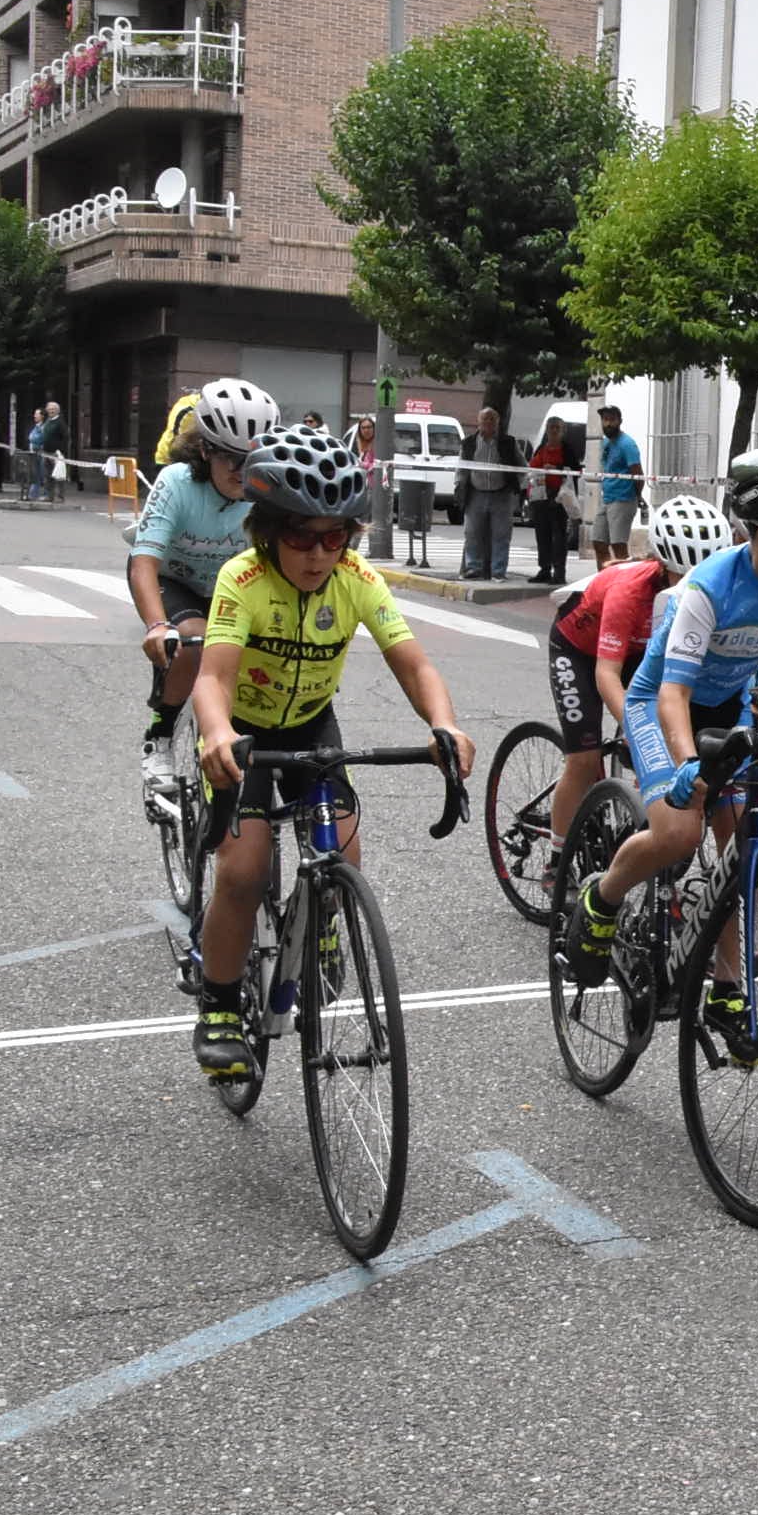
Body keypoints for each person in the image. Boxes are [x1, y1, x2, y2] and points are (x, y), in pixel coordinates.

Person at [188, 426, 474, 1076]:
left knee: (344, 849)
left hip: (313, 726)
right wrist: (217, 735)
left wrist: (445, 725)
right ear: (268, 530)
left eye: (335, 536)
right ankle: (221, 1006)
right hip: (245, 735)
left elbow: (414, 665)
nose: (319, 554)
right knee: (243, 870)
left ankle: (319, 921)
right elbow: (213, 678)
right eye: (301, 537)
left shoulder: (356, 580)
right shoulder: (244, 578)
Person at [561, 452, 758, 1031]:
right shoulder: (707, 589)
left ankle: (730, 988)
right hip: (662, 707)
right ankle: (601, 898)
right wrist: (688, 768)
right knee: (680, 832)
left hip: (725, 712)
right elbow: (670, 696)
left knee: (741, 847)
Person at [538, 493, 732, 850]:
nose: (693, 588)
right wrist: (634, 727)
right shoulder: (630, 592)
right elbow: (606, 675)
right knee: (585, 758)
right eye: (681, 577)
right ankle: (557, 857)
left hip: (639, 652)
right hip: (580, 650)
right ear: (662, 566)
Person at [128, 379, 279, 793]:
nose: (240, 470)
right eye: (228, 457)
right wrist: (157, 626)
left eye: (250, 459)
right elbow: (144, 561)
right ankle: (158, 738)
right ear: (205, 449)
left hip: (231, 588)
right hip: (174, 580)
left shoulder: (265, 489)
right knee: (193, 642)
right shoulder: (177, 481)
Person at [458, 406, 524, 581]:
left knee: (501, 535)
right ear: (478, 423)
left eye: (492, 419)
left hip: (501, 494)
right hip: (475, 493)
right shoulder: (469, 443)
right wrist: (459, 486)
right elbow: (462, 468)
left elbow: (522, 465)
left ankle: (498, 571)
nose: (488, 423)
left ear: (497, 423)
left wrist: (520, 487)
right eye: (485, 419)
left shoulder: (508, 442)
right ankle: (473, 567)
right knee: (472, 533)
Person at [592, 404, 644, 567]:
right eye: (605, 419)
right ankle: (603, 581)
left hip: (623, 499)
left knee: (619, 547)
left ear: (620, 421)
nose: (608, 424)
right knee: (598, 542)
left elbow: (637, 474)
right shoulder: (606, 443)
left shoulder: (627, 444)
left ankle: (623, 584)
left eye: (612, 420)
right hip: (607, 498)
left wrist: (637, 496)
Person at [526, 422, 575, 587]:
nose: (553, 431)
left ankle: (559, 572)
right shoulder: (541, 447)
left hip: (559, 496)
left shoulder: (567, 449)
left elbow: (575, 469)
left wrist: (556, 468)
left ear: (562, 431)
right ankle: (544, 569)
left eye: (557, 428)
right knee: (542, 534)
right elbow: (533, 465)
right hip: (541, 495)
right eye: (550, 428)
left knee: (559, 536)